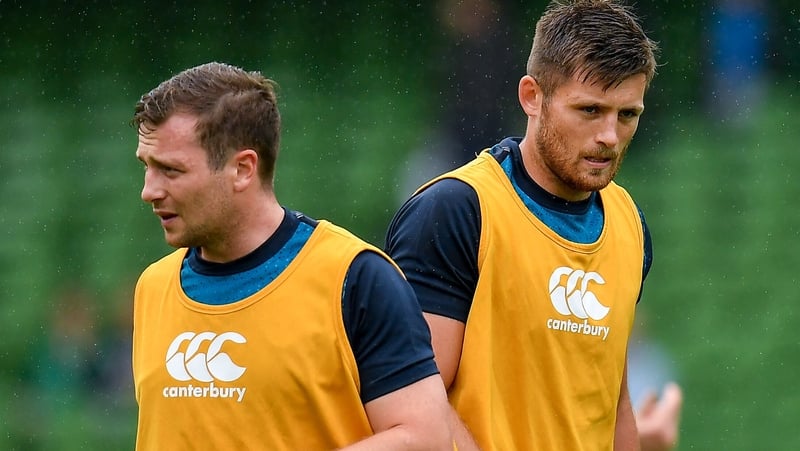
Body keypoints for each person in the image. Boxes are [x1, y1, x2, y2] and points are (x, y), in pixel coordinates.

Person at [130, 62, 453, 450]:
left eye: (170, 170)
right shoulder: (154, 286)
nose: (149, 191)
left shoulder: (355, 278)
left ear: (242, 169)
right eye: (147, 167)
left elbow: (426, 438)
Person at [385, 1, 659, 449]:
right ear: (532, 96)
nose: (609, 135)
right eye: (590, 110)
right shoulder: (457, 211)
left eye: (626, 115)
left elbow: (614, 406)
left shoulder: (629, 224)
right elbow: (416, 402)